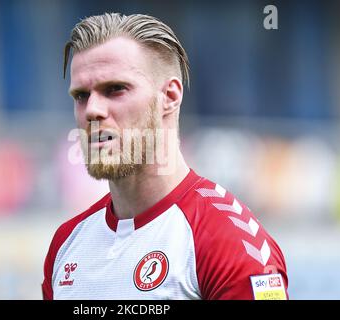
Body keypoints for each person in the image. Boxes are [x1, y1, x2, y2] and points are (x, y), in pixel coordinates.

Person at [42, 12, 288, 300]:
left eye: (115, 89)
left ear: (169, 97)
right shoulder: (66, 244)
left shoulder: (231, 243)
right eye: (81, 95)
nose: (93, 110)